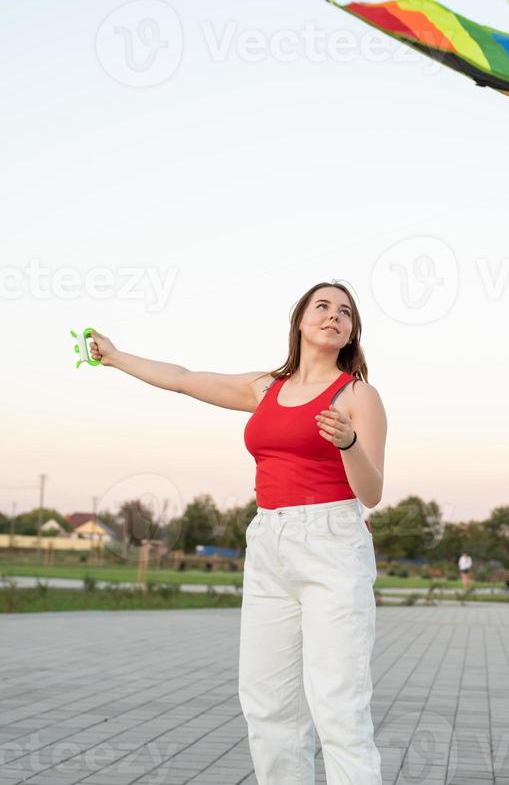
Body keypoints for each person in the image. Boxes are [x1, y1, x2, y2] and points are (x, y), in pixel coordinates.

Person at [88, 280, 387, 784]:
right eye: (322, 306)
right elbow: (183, 378)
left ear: (351, 332)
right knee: (268, 704)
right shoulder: (264, 387)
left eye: (345, 312)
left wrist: (350, 442)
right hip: (269, 540)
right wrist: (116, 358)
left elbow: (372, 491)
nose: (334, 316)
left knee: (338, 707)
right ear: (299, 320)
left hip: (332, 542)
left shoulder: (359, 395)